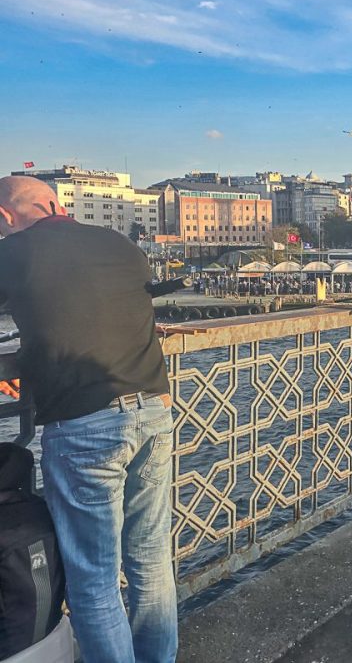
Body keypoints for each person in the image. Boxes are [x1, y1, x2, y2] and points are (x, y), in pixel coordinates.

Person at [0, 175, 177, 663]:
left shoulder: (14, 252)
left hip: (84, 426)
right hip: (154, 410)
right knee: (150, 563)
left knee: (94, 580)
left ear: (6, 216)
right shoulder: (119, 244)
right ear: (56, 203)